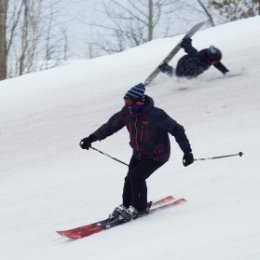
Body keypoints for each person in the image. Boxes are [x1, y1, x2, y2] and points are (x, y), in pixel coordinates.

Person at [79, 83, 194, 221]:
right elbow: (110, 126)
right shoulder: (127, 112)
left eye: (129, 102)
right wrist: (90, 139)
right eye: (125, 101)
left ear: (140, 101)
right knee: (129, 179)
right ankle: (127, 206)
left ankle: (139, 208)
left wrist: (187, 152)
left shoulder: (156, 115)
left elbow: (177, 130)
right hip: (139, 153)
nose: (127, 105)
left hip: (157, 155)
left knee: (136, 176)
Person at [159, 37, 229, 79]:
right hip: (185, 67)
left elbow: (218, 64)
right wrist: (186, 44)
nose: (215, 62)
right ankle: (163, 67)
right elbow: (191, 51)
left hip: (188, 68)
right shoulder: (204, 58)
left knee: (180, 77)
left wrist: (225, 71)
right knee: (179, 76)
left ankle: (164, 67)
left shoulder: (206, 60)